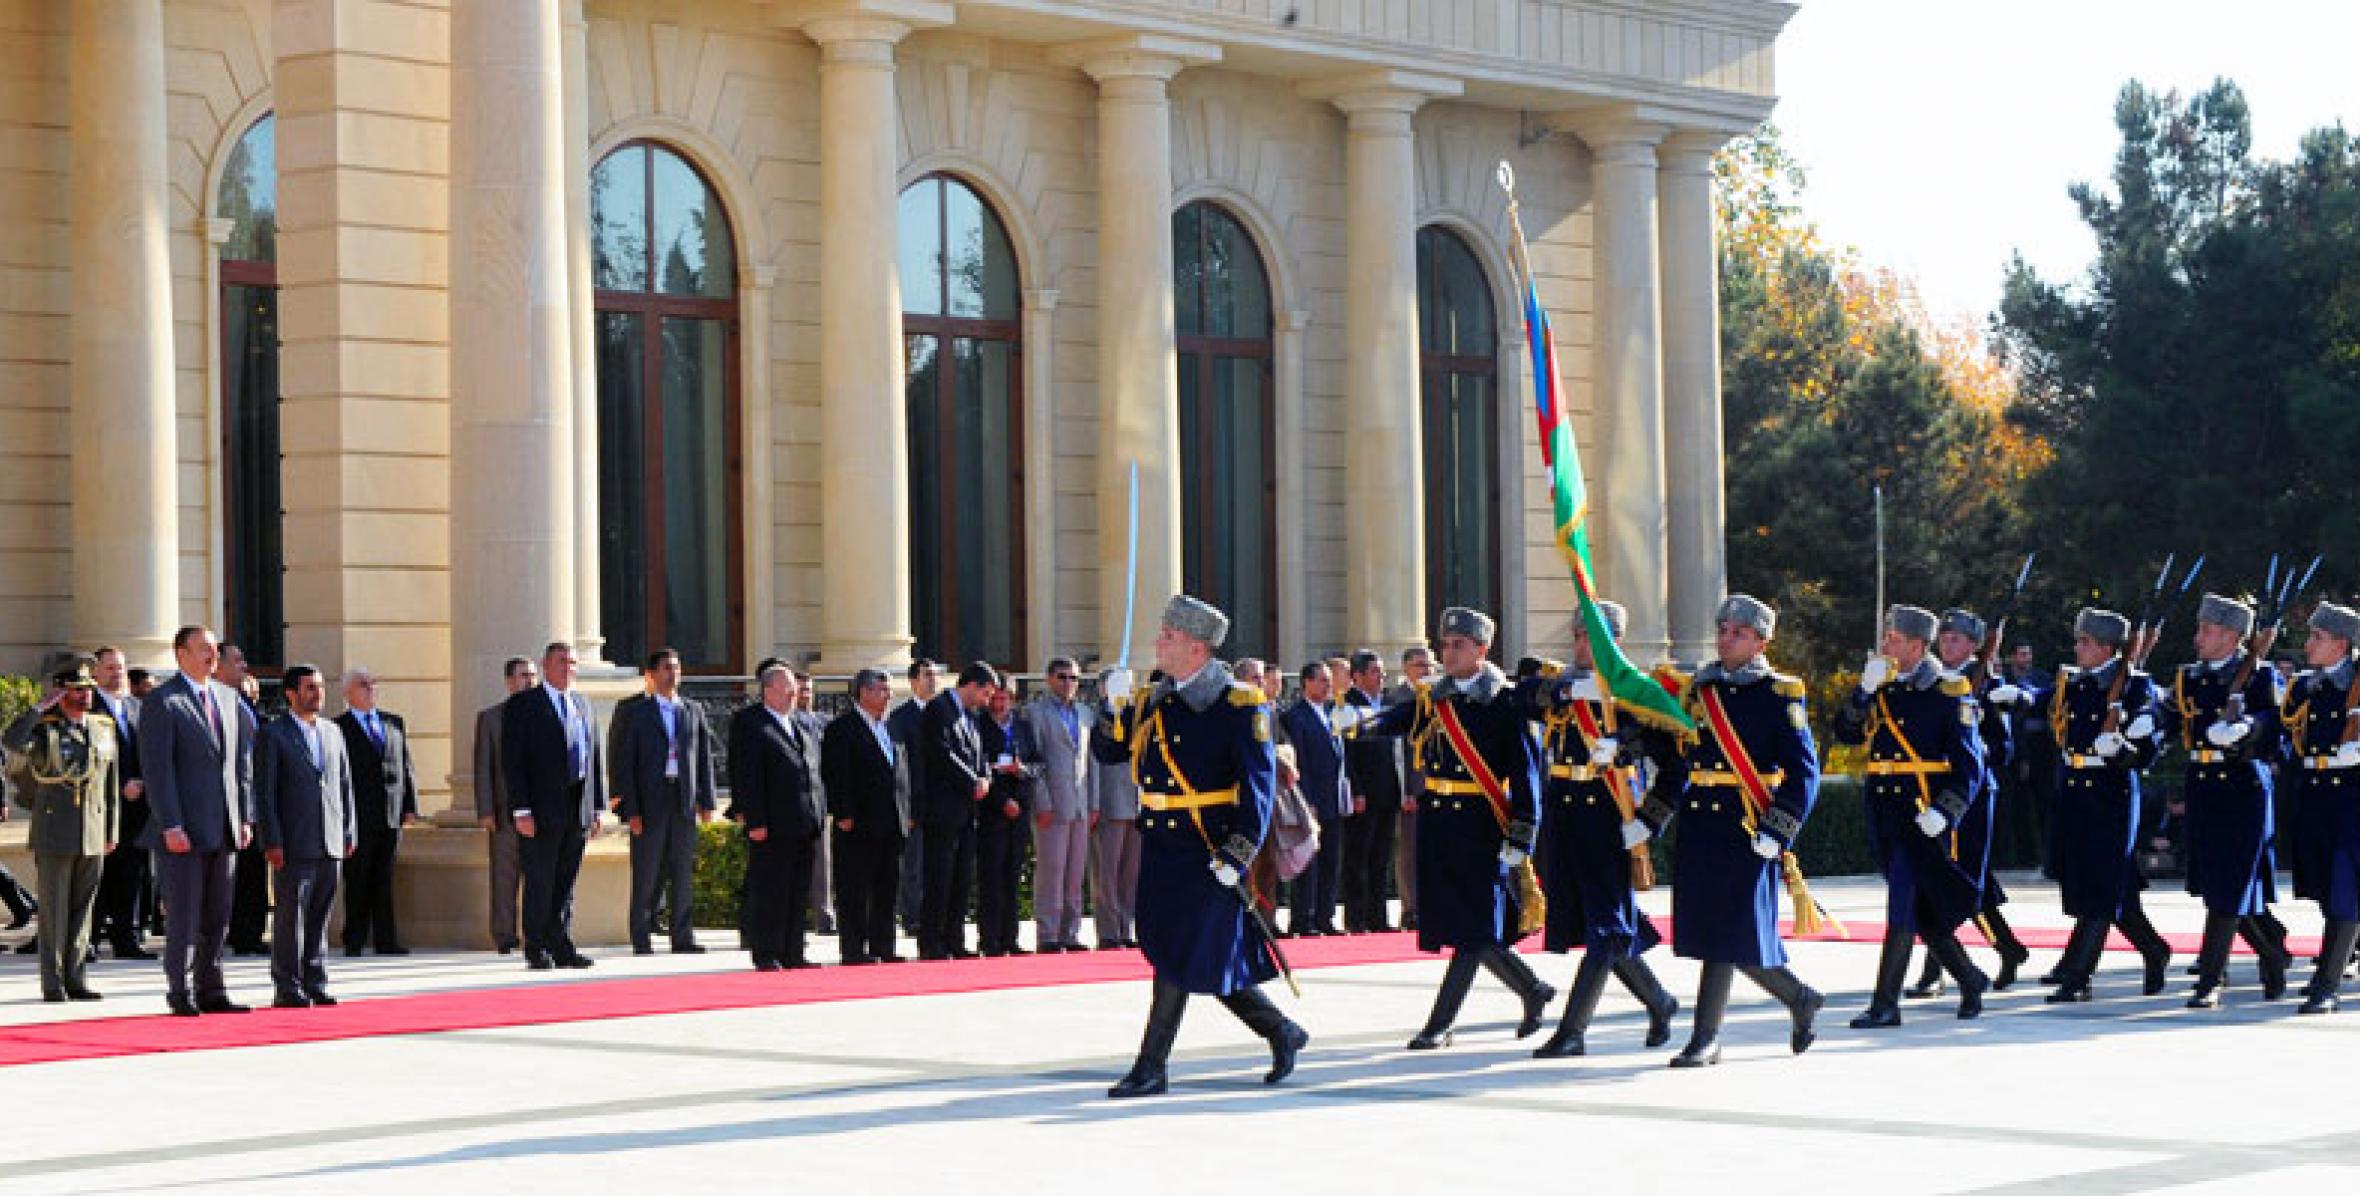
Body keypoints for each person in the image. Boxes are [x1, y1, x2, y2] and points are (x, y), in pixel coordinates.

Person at [1099, 595, 1306, 1098]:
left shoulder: (1238, 703)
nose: (1157, 643)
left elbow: (1257, 789)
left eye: (1167, 637)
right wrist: (1113, 705)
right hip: (1163, 844)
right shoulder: (1153, 697)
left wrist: (1238, 853)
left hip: (1208, 847)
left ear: (1195, 647)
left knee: (1179, 955)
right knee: (1194, 953)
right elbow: (1111, 751)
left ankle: (1151, 1066)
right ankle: (1280, 1030)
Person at [1353, 607, 1556, 1050]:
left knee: (1475, 928)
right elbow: (1401, 721)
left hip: (1483, 824)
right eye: (1445, 645)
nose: (1448, 652)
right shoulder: (1435, 698)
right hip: (1441, 823)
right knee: (1467, 926)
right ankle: (1532, 989)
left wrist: (1522, 832)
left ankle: (1440, 1023)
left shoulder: (1504, 701)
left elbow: (1527, 773)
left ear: (1481, 650)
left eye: (1458, 645)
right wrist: (1357, 725)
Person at [1641, 595, 1824, 1067]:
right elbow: (1678, 756)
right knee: (1718, 932)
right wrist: (1631, 756)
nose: (1725, 638)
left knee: (1729, 933)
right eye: (1722, 629)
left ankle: (1706, 1038)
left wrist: (1778, 830)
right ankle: (1798, 997)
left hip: (1748, 827)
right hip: (1702, 825)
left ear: (1762, 640)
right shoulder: (1700, 690)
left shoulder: (1778, 694)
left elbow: (1804, 774)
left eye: (1737, 632)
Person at [1528, 603, 1681, 1058]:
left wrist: (1648, 822)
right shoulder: (1563, 687)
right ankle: (1659, 1000)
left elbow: (1676, 767)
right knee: (1600, 923)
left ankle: (1572, 1030)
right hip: (1565, 819)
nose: (1580, 646)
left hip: (1609, 820)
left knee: (1606, 927)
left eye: (1590, 638)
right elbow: (1521, 698)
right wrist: (1563, 693)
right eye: (1576, 636)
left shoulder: (1635, 694)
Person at [1833, 605, 1992, 1028]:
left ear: (1918, 646)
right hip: (1885, 809)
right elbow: (1845, 733)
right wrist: (1861, 693)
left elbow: (1969, 766)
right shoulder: (1880, 687)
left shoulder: (1948, 690)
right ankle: (1969, 977)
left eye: (1894, 639)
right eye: (1886, 637)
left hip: (1923, 813)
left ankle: (1885, 1003)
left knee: (1902, 903)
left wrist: (1946, 812)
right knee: (1918, 907)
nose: (1885, 645)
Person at [2155, 594, 2292, 1007]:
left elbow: (2282, 726)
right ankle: (2272, 954)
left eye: (2207, 631)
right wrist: (2148, 721)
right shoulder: (2190, 678)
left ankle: (2209, 979)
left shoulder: (2261, 677)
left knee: (2229, 887)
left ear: (2233, 637)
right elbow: (2171, 713)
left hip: (2243, 788)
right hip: (2203, 785)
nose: (2198, 638)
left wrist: (2249, 728)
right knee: (2217, 885)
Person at [2043, 608, 2175, 1002]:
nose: (2077, 648)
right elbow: (2046, 706)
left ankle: (2079, 976)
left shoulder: (2136, 686)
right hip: (2075, 789)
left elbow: (2148, 749)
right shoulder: (2076, 682)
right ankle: (2154, 949)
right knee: (2096, 882)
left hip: (2111, 794)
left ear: (2106, 648)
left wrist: (2124, 749)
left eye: (2085, 642)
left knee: (2103, 885)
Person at [1908, 609, 2036, 999]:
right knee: (1943, 881)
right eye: (1944, 637)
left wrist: (1979, 745)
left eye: (1957, 639)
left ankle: (1945, 969)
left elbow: (2004, 748)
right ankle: (2005, 950)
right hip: (1933, 793)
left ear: (1974, 646)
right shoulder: (1928, 681)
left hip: (1972, 797)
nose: (1948, 643)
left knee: (1958, 882)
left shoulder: (1989, 686)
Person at [141, 625, 258, 1016]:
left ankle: (213, 988)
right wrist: (170, 823)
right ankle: (181, 989)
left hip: (224, 825)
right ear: (180, 654)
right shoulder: (164, 701)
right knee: (185, 914)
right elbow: (159, 771)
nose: (212, 656)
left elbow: (239, 764)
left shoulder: (227, 698)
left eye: (214, 650)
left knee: (217, 914)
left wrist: (244, 816)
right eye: (203, 649)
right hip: (184, 829)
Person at [5, 659, 121, 1001]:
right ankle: (53, 982)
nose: (84, 696)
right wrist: (38, 709)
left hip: (93, 830)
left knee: (83, 911)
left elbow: (109, 784)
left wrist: (111, 828)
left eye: (86, 690)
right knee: (54, 912)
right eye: (75, 690)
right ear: (60, 693)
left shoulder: (102, 727)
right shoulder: (45, 730)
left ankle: (76, 977)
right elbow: (12, 742)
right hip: (55, 830)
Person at [252, 664, 358, 1008]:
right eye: (309, 688)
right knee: (290, 918)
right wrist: (272, 840)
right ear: (291, 694)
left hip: (330, 838)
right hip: (293, 842)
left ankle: (316, 980)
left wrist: (348, 830)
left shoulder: (332, 732)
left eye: (320, 688)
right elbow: (265, 793)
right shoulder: (273, 734)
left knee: (319, 916)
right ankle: (287, 986)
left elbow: (344, 785)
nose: (317, 695)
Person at [501, 640, 606, 971]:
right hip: (540, 809)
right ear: (545, 665)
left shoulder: (583, 705)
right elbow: (513, 762)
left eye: (572, 663)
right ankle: (536, 946)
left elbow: (594, 759)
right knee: (540, 880)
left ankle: (561, 943)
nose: (568, 668)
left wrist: (597, 807)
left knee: (566, 881)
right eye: (561, 661)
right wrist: (521, 809)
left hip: (577, 807)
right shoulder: (524, 706)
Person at [609, 648, 718, 955]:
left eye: (677, 667)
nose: (673, 674)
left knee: (682, 871)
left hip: (682, 799)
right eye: (667, 668)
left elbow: (703, 758)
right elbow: (623, 763)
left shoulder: (692, 710)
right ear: (652, 675)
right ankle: (641, 936)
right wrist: (629, 809)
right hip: (649, 801)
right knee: (646, 871)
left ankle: (682, 936)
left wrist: (706, 800)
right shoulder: (635, 713)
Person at [2287, 602, 2360, 1013]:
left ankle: (2327, 984)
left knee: (2343, 888)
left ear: (2342, 644)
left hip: (2352, 797)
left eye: (2318, 636)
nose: (2308, 643)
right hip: (2314, 792)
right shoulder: (2305, 685)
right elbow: (2285, 728)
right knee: (2319, 882)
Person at [732, 663, 826, 970]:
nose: (793, 694)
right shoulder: (751, 723)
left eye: (795, 689)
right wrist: (755, 820)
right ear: (768, 690)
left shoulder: (798, 723)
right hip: (772, 824)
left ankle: (793, 951)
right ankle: (767, 951)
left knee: (798, 891)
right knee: (771, 890)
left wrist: (818, 813)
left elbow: (812, 772)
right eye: (787, 689)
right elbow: (747, 776)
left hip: (804, 822)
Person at [823, 668, 910, 965]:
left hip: (891, 820)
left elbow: (900, 773)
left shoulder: (891, 727)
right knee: (855, 888)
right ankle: (854, 948)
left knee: (887, 886)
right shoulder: (842, 728)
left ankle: (883, 944)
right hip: (858, 822)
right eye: (883, 690)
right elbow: (836, 775)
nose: (888, 696)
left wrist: (906, 811)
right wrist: (843, 812)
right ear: (865, 692)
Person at [332, 666, 418, 956]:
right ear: (348, 693)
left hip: (390, 813)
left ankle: (386, 939)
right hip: (357, 815)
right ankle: (354, 939)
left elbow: (406, 767)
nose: (370, 689)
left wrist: (410, 806)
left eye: (372, 683)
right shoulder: (338, 728)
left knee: (385, 877)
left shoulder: (393, 723)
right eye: (362, 684)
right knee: (357, 878)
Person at [917, 662, 996, 960]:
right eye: (985, 693)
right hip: (943, 809)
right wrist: (971, 780)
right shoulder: (938, 709)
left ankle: (954, 939)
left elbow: (980, 754)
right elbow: (941, 753)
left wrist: (985, 776)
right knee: (940, 877)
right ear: (972, 685)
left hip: (966, 811)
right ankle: (932, 941)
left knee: (961, 878)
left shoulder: (971, 716)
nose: (987, 701)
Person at [1026, 658, 1096, 952]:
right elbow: (1035, 760)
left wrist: (1094, 803)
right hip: (1052, 804)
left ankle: (1070, 932)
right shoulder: (1036, 713)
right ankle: (1049, 934)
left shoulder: (1084, 713)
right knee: (1051, 871)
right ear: (1048, 679)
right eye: (1062, 677)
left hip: (1080, 803)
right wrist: (1042, 802)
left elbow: (1090, 762)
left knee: (1075, 872)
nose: (1068, 683)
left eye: (1074, 678)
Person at [88, 646, 153, 960]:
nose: (117, 673)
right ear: (95, 672)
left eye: (121, 668)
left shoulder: (136, 707)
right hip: (103, 808)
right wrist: (119, 784)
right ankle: (88, 940)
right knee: (98, 876)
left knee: (132, 875)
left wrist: (141, 781)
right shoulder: (89, 709)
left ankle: (127, 938)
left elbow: (148, 753)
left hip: (137, 808)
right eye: (111, 668)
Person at [1277, 660, 1348, 937]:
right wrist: (1308, 803)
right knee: (1308, 863)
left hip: (1333, 798)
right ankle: (1302, 918)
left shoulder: (1331, 713)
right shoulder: (1296, 717)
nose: (1327, 685)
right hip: (1311, 799)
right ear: (1306, 683)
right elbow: (1300, 763)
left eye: (1329, 680)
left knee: (1331, 860)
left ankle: (1325, 916)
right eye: (1322, 680)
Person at [474, 656, 537, 953]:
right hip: (503, 811)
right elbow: (483, 766)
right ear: (509, 681)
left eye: (533, 675)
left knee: (537, 876)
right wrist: (485, 810)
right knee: (504, 877)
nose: (530, 680)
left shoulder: (544, 713)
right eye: (524, 675)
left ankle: (534, 933)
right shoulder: (491, 718)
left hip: (539, 814)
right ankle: (504, 936)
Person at [1339, 649, 1405, 932]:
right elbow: (1347, 754)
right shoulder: (1347, 705)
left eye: (1382, 672)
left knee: (1381, 857)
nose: (1381, 677)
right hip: (1363, 793)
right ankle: (1356, 917)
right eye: (1375, 672)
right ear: (1358, 676)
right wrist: (1356, 790)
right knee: (1358, 858)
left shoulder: (1388, 703)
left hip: (1388, 791)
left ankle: (1378, 917)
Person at [974, 683, 1039, 956]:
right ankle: (989, 939)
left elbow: (1037, 763)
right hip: (992, 810)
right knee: (991, 877)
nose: (1000, 704)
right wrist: (1001, 801)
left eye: (1005, 699)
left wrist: (1021, 769)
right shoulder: (978, 726)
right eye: (996, 699)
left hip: (1019, 808)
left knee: (1013, 875)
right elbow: (976, 766)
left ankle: (1010, 937)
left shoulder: (1022, 726)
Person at [215, 644, 271, 958]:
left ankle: (250, 931)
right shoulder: (215, 702)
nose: (244, 665)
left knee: (253, 871)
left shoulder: (244, 702)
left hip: (252, 800)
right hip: (228, 801)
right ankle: (235, 930)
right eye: (237, 660)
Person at [1088, 666, 1144, 950]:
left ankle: (1125, 927)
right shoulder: (1098, 716)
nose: (1128, 690)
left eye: (1130, 685)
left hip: (1136, 803)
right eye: (1121, 685)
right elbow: (1100, 754)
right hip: (1109, 802)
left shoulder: (1136, 715)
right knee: (1106, 873)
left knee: (1130, 873)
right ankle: (1109, 931)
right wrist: (1094, 803)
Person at [890, 659, 944, 935]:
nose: (932, 680)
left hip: (944, 803)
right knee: (914, 865)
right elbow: (901, 766)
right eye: (926, 675)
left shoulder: (946, 714)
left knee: (941, 865)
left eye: (935, 675)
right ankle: (913, 918)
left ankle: (937, 917)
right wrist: (907, 807)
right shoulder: (901, 718)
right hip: (915, 803)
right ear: (913, 681)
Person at [1396, 645, 1435, 931]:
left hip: (1438, 786)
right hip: (1413, 788)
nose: (1427, 670)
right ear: (1406, 669)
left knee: (1433, 850)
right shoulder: (1400, 699)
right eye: (1420, 665)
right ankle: (1412, 909)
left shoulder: (1437, 696)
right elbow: (1399, 752)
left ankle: (1431, 904)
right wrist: (1406, 790)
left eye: (1430, 665)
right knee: (1410, 852)